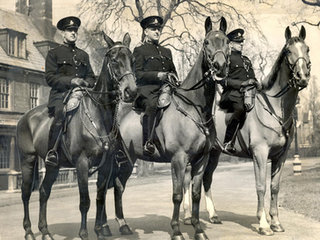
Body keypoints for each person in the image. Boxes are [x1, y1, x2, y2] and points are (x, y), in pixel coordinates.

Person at [45, 16, 96, 166]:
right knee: (61, 112)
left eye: (75, 30)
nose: (73, 33)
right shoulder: (54, 53)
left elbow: (92, 76)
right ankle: (52, 151)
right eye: (69, 30)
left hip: (82, 93)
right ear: (63, 33)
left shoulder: (83, 55)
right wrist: (71, 81)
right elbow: (50, 78)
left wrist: (86, 83)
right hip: (61, 95)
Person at [133, 16, 178, 156]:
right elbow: (138, 75)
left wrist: (174, 79)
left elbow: (173, 71)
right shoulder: (140, 50)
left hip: (166, 89)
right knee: (152, 105)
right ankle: (148, 142)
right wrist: (158, 75)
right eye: (153, 29)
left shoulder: (166, 51)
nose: (157, 31)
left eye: (158, 29)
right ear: (146, 31)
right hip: (147, 90)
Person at [219, 28, 260, 154]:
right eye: (238, 42)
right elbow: (222, 80)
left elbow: (252, 77)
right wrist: (242, 84)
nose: (241, 44)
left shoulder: (247, 59)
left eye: (242, 41)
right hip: (232, 94)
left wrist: (256, 83)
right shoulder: (227, 59)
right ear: (230, 44)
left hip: (249, 93)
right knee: (240, 109)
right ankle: (228, 142)